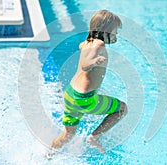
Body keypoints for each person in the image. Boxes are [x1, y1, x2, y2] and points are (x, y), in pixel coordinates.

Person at [49, 10, 127, 155]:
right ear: (106, 30)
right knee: (122, 109)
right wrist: (94, 61)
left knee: (67, 135)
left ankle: (48, 155)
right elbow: (85, 64)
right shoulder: (99, 44)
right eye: (115, 32)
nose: (116, 35)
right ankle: (94, 137)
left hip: (71, 95)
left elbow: (80, 46)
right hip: (85, 100)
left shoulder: (87, 42)